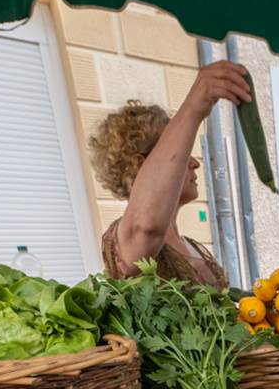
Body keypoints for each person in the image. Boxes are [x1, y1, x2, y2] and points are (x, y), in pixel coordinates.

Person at [88, 60, 251, 285]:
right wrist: (193, 108)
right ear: (139, 165)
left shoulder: (191, 246)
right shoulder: (126, 239)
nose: (194, 163)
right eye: (182, 157)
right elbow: (146, 226)